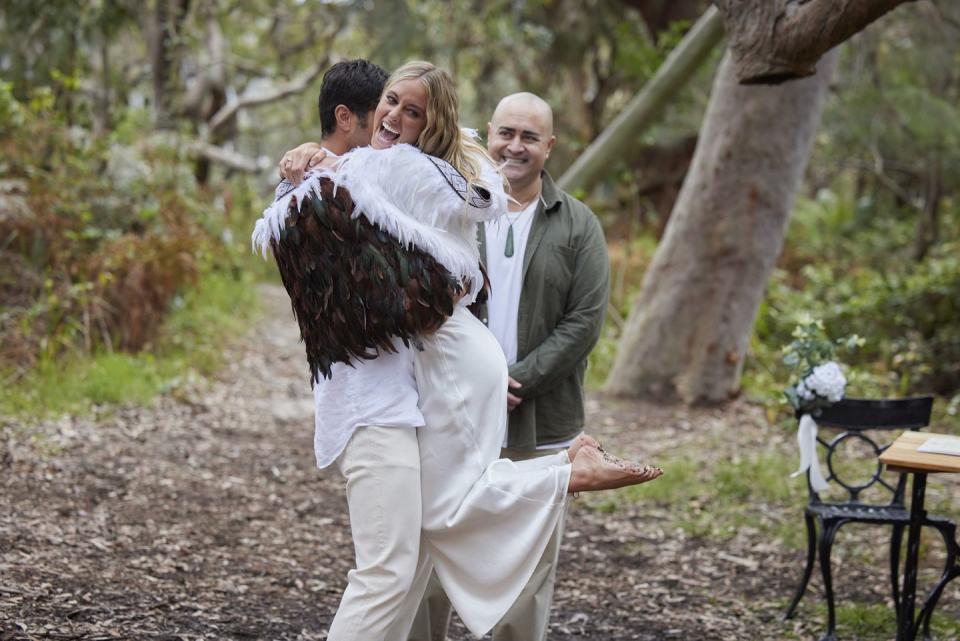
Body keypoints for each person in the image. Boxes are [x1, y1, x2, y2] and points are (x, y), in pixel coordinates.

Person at [265, 61, 662, 641]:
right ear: (361, 111)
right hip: (418, 381)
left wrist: (366, 162)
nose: (396, 117)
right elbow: (313, 230)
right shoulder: (369, 180)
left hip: (444, 369)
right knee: (422, 538)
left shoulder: (411, 174)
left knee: (421, 537)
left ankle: (564, 472)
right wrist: (307, 162)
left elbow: (575, 312)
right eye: (390, 102)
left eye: (414, 111)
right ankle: (562, 472)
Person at [406, 92, 610, 641]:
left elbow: (584, 322)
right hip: (456, 416)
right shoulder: (454, 211)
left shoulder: (578, 225)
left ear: (549, 146)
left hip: (542, 422)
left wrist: (515, 381)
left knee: (527, 565)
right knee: (434, 555)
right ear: (488, 134)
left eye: (529, 137)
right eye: (506, 134)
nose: (514, 147)